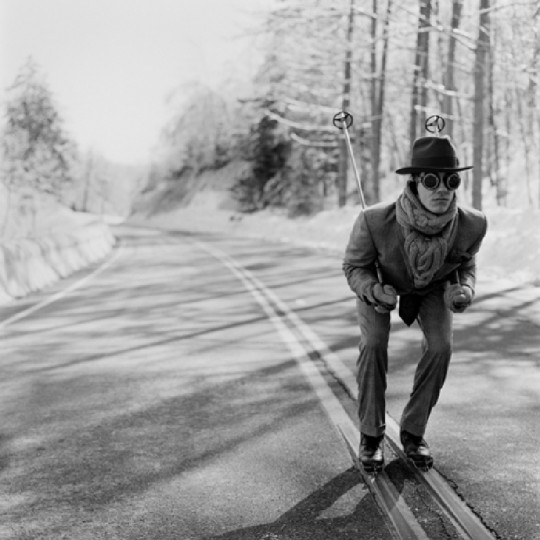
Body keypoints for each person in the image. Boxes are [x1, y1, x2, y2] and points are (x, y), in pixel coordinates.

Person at [342, 135, 487, 473]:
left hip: (434, 287)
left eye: (451, 180)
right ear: (414, 183)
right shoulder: (374, 221)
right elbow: (353, 267)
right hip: (382, 284)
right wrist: (373, 289)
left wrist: (464, 289)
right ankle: (371, 435)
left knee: (441, 347)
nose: (442, 189)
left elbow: (466, 265)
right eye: (431, 180)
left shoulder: (473, 223)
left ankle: (413, 431)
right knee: (375, 343)